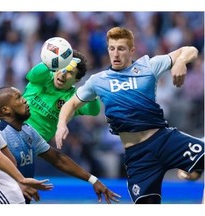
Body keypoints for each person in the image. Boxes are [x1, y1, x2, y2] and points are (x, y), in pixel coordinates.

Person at [55, 27, 204, 204]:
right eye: (112, 48)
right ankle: (192, 171)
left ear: (131, 50)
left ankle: (194, 173)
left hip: (163, 140)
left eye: (121, 48)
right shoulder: (98, 80)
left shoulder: (148, 66)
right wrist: (61, 124)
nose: (115, 54)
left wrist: (180, 62)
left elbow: (190, 50)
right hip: (137, 156)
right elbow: (71, 103)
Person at [0, 86, 120, 204]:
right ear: (6, 109)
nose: (25, 101)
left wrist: (93, 180)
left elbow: (58, 159)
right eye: (18, 98)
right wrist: (18, 184)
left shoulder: (27, 130)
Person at [0, 49, 101, 142]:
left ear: (77, 80)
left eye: (70, 72)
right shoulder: (45, 76)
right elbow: (32, 75)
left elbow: (94, 111)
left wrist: (90, 90)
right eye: (62, 68)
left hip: (27, 141)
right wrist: (54, 61)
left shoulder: (74, 98)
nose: (63, 73)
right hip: (1, 121)